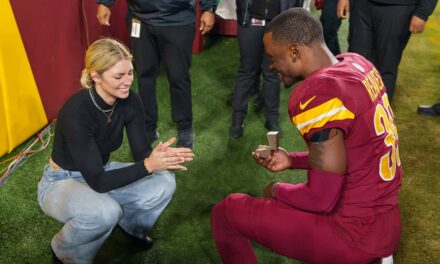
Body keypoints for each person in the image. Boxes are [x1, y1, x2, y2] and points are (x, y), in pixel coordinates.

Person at [211, 8, 402, 263]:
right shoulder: (358, 64)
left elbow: (320, 199)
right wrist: (292, 160)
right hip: (386, 221)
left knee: (227, 211)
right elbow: (354, 151)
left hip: (351, 233)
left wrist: (277, 189)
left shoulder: (319, 94)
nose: (270, 65)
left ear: (293, 51)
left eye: (272, 56)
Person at [37, 38, 194, 263]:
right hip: (61, 181)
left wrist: (157, 157)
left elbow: (141, 153)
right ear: (96, 76)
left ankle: (130, 228)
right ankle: (65, 252)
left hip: (101, 170)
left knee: (164, 182)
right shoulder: (76, 111)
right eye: (118, 76)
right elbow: (99, 182)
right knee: (105, 211)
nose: (127, 81)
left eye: (130, 72)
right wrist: (148, 165)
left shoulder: (130, 101)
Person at [96, 0, 218, 148]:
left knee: (178, 77)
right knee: (144, 75)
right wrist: (105, 2)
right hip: (139, 18)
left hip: (177, 19)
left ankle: (185, 127)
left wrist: (209, 8)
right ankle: (148, 127)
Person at [230, 0, 304, 138]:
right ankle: (237, 119)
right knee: (247, 71)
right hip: (250, 20)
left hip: (279, 24)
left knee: (272, 73)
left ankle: (272, 119)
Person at [337, 0, 437, 101]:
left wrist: (422, 13)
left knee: (387, 64)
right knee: (356, 62)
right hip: (361, 5)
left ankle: (380, 112)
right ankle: (353, 108)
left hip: (398, 8)